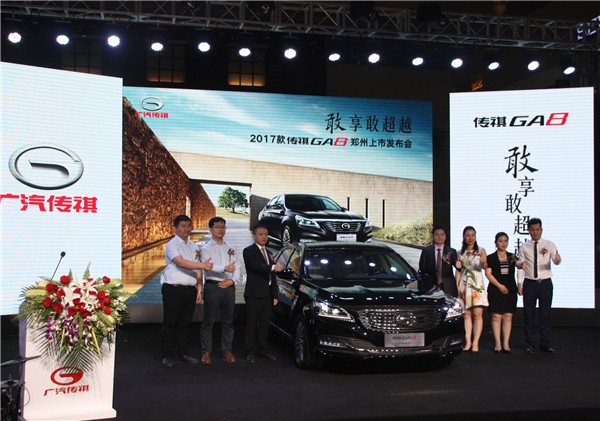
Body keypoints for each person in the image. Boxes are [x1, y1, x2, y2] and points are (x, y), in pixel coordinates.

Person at [160, 214, 213, 367]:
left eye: (189, 225)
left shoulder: (194, 246)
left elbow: (198, 269)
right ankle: (167, 355)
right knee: (170, 323)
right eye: (183, 226)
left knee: (185, 324)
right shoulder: (172, 245)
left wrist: (199, 289)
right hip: (173, 289)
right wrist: (203, 265)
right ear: (175, 228)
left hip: (190, 290)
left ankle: (182, 353)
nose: (186, 229)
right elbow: (181, 263)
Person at [199, 217, 240, 364]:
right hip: (213, 286)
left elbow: (237, 266)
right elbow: (209, 267)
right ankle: (206, 352)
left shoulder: (231, 246)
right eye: (217, 227)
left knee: (228, 321)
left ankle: (227, 351)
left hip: (229, 287)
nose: (221, 230)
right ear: (210, 229)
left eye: (223, 227)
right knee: (208, 321)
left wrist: (232, 281)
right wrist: (225, 268)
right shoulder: (205, 248)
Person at [517, 217, 561, 354]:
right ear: (528, 231)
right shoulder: (524, 246)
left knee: (545, 314)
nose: (535, 232)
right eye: (532, 230)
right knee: (528, 315)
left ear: (541, 230)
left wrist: (557, 260)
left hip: (545, 283)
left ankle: (545, 343)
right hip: (530, 283)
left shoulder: (549, 244)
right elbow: (521, 266)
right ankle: (530, 344)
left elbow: (555, 259)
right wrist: (519, 283)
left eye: (537, 229)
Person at [243, 224, 283, 363]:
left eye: (266, 234)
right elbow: (256, 267)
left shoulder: (269, 252)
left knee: (265, 324)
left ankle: (264, 350)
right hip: (254, 294)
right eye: (260, 234)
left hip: (268, 294)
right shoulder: (248, 251)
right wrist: (273, 267)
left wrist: (275, 296)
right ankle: (250, 351)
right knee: (252, 324)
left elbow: (273, 276)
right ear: (254, 236)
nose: (264, 237)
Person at [455, 225, 488, 353]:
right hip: (464, 285)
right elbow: (458, 270)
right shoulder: (459, 252)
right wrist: (457, 286)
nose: (470, 238)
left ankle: (476, 342)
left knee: (477, 314)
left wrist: (483, 260)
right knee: (466, 314)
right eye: (468, 235)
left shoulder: (481, 250)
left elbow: (485, 266)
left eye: (472, 235)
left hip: (477, 285)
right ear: (464, 237)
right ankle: (468, 341)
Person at [485, 232, 518, 353]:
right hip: (495, 288)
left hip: (510, 288)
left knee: (508, 316)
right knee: (496, 316)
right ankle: (498, 343)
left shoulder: (512, 256)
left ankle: (506, 343)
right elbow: (488, 274)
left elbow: (518, 265)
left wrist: (522, 264)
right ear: (496, 242)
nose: (503, 243)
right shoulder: (491, 257)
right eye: (500, 241)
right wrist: (499, 286)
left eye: (505, 241)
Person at [418, 225, 458, 296]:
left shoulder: (451, 251)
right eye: (437, 234)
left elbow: (457, 266)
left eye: (442, 234)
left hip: (448, 286)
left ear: (445, 236)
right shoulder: (426, 251)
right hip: (430, 286)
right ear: (433, 236)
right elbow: (422, 269)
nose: (439, 237)